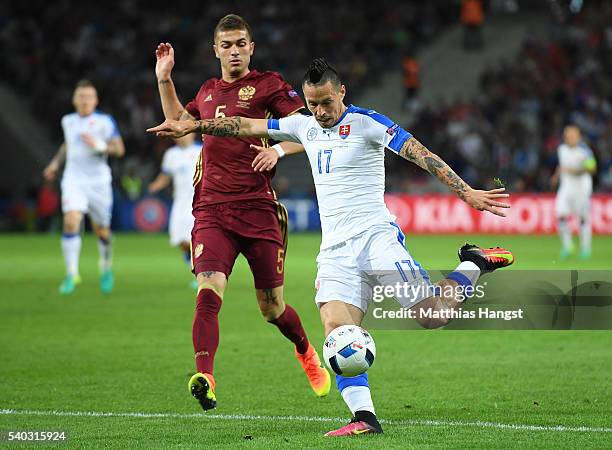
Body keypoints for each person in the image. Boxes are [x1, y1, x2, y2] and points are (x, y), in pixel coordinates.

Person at [147, 58, 514, 437]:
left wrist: (465, 191)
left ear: (342, 93)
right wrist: (195, 125)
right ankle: (365, 418)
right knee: (336, 330)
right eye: (312, 103)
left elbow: (421, 154)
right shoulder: (303, 125)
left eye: (326, 102)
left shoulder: (368, 123)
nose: (320, 112)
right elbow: (244, 125)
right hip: (336, 251)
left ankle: (472, 263)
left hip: (377, 239)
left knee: (433, 316)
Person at [153, 14, 330, 411]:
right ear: (216, 50)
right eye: (226, 45)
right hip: (212, 210)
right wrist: (165, 79)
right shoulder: (208, 90)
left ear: (251, 47)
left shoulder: (269, 85)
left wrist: (278, 148)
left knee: (271, 307)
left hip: (258, 211)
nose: (234, 51)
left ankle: (304, 348)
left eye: (240, 44)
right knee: (208, 290)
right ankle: (206, 376)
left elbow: (310, 127)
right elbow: (181, 124)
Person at [43, 79, 125, 295]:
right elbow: (67, 144)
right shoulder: (68, 121)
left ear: (96, 100)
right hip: (74, 179)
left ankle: (106, 268)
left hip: (98, 182)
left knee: (102, 231)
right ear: (74, 100)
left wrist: (100, 146)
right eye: (81, 96)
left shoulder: (105, 122)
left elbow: (119, 149)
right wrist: (54, 163)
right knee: (71, 220)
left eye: (88, 96)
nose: (84, 100)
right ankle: (72, 274)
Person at [148, 134, 201, 287]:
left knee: (196, 239)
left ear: (192, 134)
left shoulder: (201, 150)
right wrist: (155, 186)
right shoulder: (171, 155)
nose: (181, 137)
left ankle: (202, 273)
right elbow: (165, 176)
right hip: (180, 202)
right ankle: (198, 270)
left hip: (198, 202)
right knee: (181, 242)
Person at [551, 125, 596, 260]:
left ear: (578, 136)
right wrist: (556, 176)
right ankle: (568, 246)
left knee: (583, 218)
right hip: (566, 187)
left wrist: (573, 170)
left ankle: (585, 249)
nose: (569, 138)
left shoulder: (585, 151)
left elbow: (592, 169)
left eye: (571, 135)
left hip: (582, 188)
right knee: (560, 215)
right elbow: (562, 165)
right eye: (567, 136)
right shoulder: (562, 149)